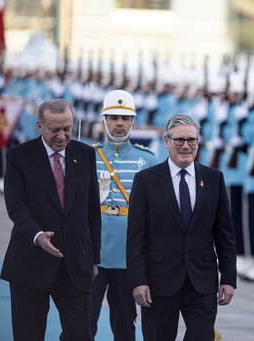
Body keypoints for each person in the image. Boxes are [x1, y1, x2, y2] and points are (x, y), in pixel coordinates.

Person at [126, 114, 237, 340]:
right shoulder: (146, 180)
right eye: (179, 140)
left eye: (191, 140)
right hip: (159, 284)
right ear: (166, 142)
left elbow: (224, 234)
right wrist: (138, 281)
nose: (186, 146)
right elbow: (136, 237)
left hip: (202, 284)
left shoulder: (214, 178)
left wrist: (228, 277)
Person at [0, 98, 101, 341]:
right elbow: (16, 207)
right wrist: (37, 236)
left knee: (80, 334)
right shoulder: (18, 157)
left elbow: (92, 211)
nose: (62, 136)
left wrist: (94, 259)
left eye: (67, 128)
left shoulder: (85, 154)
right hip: (30, 264)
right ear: (39, 126)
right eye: (55, 129)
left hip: (75, 267)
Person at [90, 89, 158, 340]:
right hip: (93, 256)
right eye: (113, 117)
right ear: (104, 120)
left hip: (127, 257)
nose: (119, 123)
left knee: (124, 323)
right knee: (83, 322)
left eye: (125, 118)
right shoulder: (89, 156)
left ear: (133, 121)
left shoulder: (147, 160)